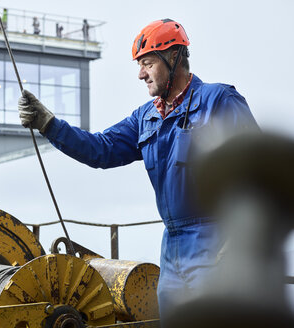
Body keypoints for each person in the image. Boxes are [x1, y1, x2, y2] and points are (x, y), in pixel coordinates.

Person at [17, 19, 258, 318]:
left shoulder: (218, 102)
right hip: (172, 248)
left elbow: (259, 172)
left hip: (216, 240)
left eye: (147, 63)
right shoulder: (146, 118)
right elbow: (100, 149)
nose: (141, 74)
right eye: (139, 65)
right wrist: (49, 124)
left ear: (174, 57)